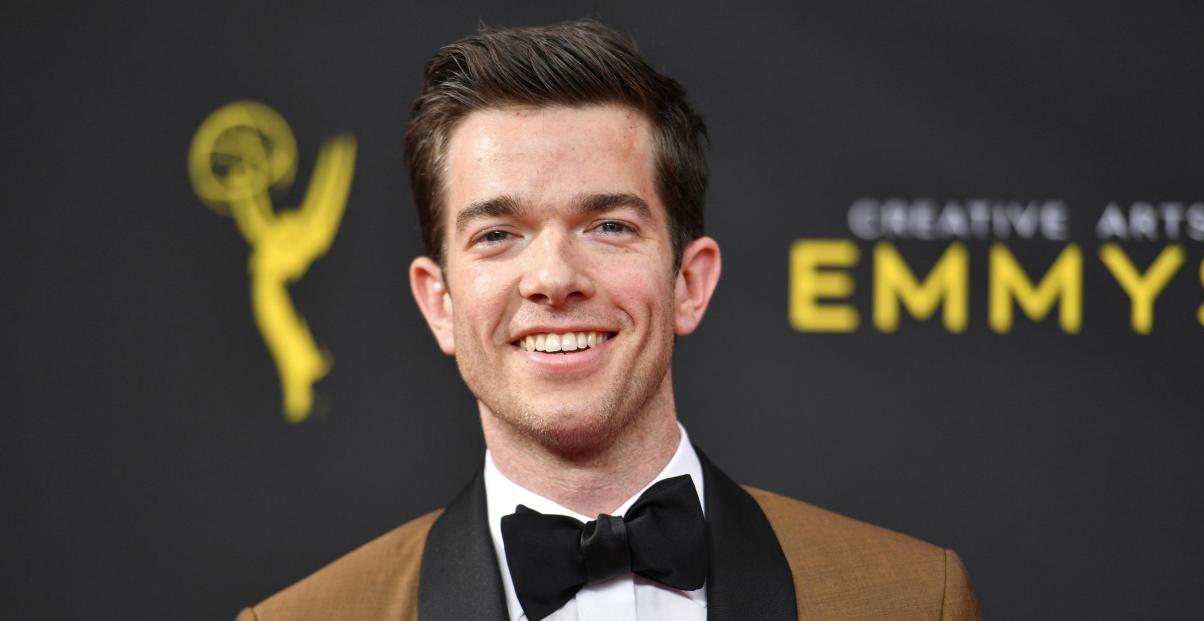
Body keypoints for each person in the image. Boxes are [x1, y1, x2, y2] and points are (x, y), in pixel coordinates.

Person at [238, 19, 983, 621]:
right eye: (498, 234)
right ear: (440, 302)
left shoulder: (912, 601)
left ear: (690, 282)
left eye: (609, 226)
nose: (555, 278)